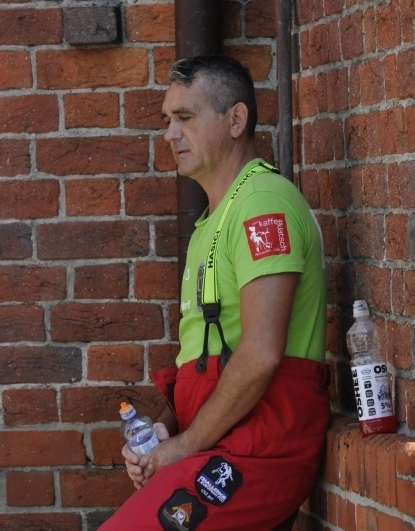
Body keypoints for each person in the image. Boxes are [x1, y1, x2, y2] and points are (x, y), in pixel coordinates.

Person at [99, 55, 329, 531]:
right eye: (167, 120)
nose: (170, 133)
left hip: (258, 450)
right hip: (220, 443)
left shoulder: (262, 203)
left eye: (185, 117)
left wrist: (184, 444)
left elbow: (260, 352)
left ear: (236, 120)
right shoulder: (214, 220)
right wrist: (163, 432)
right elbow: (204, 362)